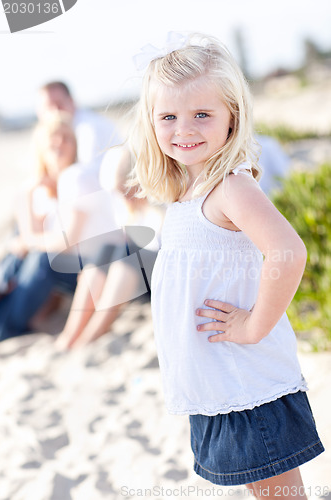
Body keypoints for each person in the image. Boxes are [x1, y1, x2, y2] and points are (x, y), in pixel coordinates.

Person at [128, 33, 324, 498]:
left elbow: (289, 252)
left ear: (231, 116)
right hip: (215, 385)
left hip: (246, 383)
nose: (184, 129)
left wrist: (256, 325)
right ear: (151, 122)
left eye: (202, 114)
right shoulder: (183, 195)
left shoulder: (230, 188)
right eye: (169, 117)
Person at [0, 112, 116, 342]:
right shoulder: (47, 187)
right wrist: (28, 194)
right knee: (22, 253)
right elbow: (26, 237)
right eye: (54, 138)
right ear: (41, 147)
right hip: (71, 264)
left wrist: (30, 240)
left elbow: (66, 240)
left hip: (93, 266)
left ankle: (5, 327)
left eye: (67, 138)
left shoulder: (76, 178)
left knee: (43, 258)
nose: (60, 143)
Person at [55, 146, 162, 350]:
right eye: (120, 191)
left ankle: (92, 334)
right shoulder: (128, 208)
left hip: (158, 274)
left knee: (127, 254)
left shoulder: (162, 204)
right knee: (105, 251)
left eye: (128, 189)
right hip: (137, 275)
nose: (125, 197)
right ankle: (71, 335)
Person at [36, 81, 122, 179]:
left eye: (59, 104)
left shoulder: (89, 129)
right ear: (39, 112)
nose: (56, 111)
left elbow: (85, 177)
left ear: (72, 102)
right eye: (49, 107)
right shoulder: (73, 127)